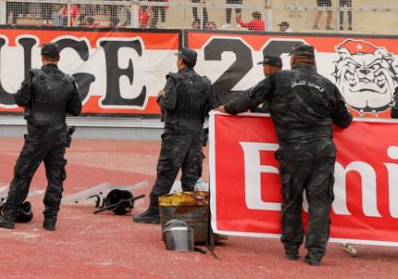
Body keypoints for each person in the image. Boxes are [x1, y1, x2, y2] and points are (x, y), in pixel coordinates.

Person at [221, 44, 352, 266]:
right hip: (323, 150)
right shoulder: (327, 84)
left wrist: (226, 109)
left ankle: (291, 249)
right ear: (313, 60)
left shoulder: (277, 80)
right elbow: (344, 120)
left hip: (293, 150)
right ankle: (315, 254)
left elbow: (247, 100)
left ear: (292, 60)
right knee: (320, 201)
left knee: (291, 199)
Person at [0, 42, 83, 232]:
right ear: (58, 58)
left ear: (42, 57)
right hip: (58, 136)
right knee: (56, 178)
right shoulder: (68, 81)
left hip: (37, 135)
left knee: (23, 174)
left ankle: (8, 217)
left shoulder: (34, 76)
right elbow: (76, 109)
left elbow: (20, 99)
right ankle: (50, 220)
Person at [134, 48, 217, 224]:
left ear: (181, 61)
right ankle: (189, 213)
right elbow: (214, 105)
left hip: (176, 134)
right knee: (191, 175)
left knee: (166, 172)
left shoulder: (174, 79)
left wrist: (160, 97)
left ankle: (155, 212)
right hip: (196, 134)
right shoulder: (205, 82)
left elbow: (169, 104)